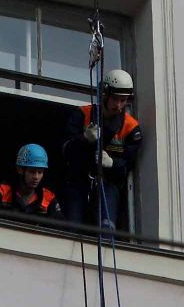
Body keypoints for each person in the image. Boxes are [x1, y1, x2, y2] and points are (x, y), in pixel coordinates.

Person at [58, 70, 143, 231]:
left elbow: (128, 164)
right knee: (73, 226)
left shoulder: (131, 128)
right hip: (78, 181)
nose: (118, 105)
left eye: (122, 100)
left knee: (106, 227)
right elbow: (65, 150)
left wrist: (112, 163)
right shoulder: (83, 114)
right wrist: (84, 139)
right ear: (105, 94)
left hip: (108, 184)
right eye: (115, 99)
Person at [0, 143, 60, 217]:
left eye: (40, 172)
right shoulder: (2, 191)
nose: (36, 177)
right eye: (32, 171)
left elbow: (60, 227)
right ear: (20, 169)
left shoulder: (48, 198)